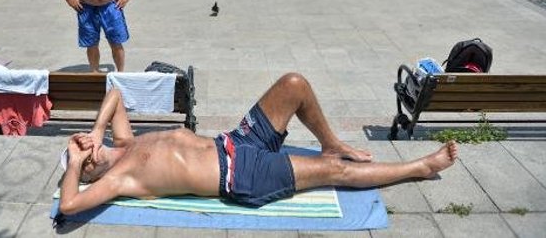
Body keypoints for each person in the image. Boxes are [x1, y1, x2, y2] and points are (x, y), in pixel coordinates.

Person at [59, 72, 458, 214]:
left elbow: (114, 94)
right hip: (241, 175)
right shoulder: (119, 180)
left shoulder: (123, 142)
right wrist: (74, 167)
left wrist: (96, 132)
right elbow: (69, 205)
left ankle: (332, 142)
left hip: (234, 141)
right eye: (82, 155)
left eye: (82, 147)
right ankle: (420, 168)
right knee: (334, 174)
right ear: (90, 171)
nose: (85, 147)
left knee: (293, 85)